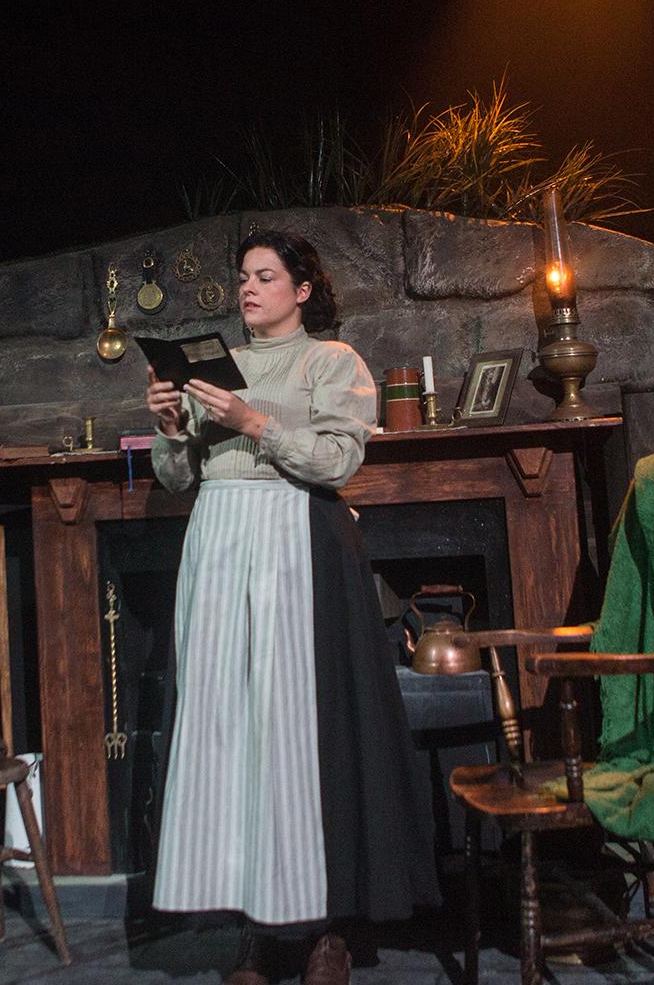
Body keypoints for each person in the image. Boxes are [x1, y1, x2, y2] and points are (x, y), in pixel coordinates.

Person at [145, 230, 440, 985]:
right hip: (218, 545)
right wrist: (174, 426)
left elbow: (339, 459)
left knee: (302, 733)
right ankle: (254, 930)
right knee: (230, 730)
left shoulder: (330, 362)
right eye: (242, 276)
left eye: (265, 276)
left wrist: (252, 422)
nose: (249, 288)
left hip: (295, 542)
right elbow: (179, 476)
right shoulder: (218, 368)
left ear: (301, 289)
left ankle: (325, 930)